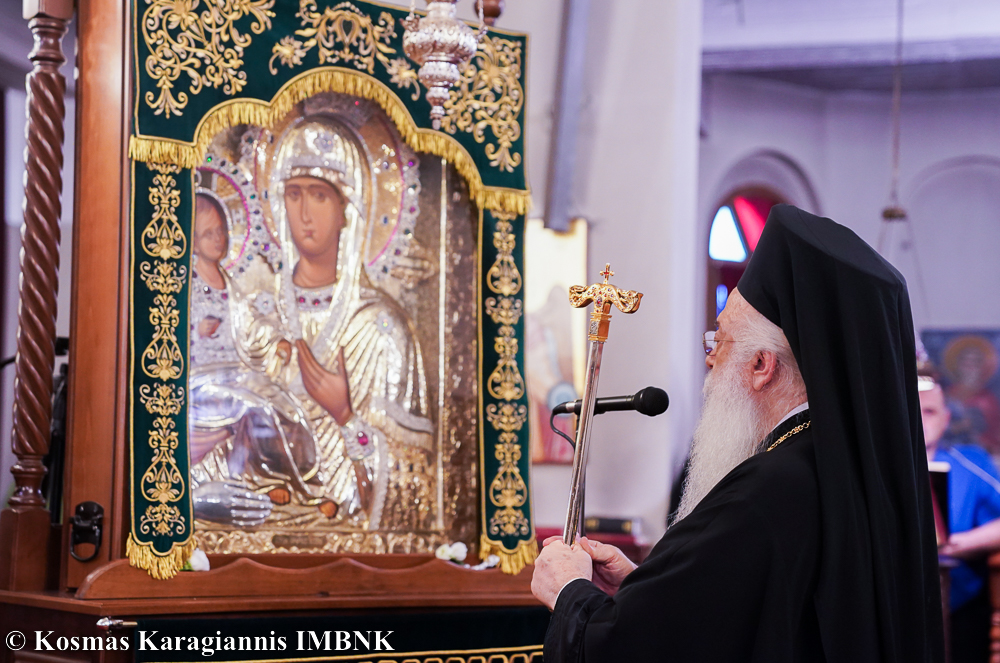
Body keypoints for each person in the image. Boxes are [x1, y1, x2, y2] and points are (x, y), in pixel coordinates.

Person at [532, 205, 944, 662]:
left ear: (762, 365)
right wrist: (639, 585)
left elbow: (631, 648)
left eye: (720, 339)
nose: (710, 358)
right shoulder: (842, 472)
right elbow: (762, 619)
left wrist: (569, 592)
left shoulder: (767, 487)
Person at [193, 114, 436, 531]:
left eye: (320, 196)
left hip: (352, 538)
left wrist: (345, 416)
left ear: (347, 209)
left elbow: (413, 486)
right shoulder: (255, 313)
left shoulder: (382, 328)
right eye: (293, 194)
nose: (304, 213)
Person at [923, 367, 1000, 663]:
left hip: (962, 604)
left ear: (946, 419)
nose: (919, 419)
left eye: (929, 411)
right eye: (912, 409)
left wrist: (959, 544)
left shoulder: (970, 462)